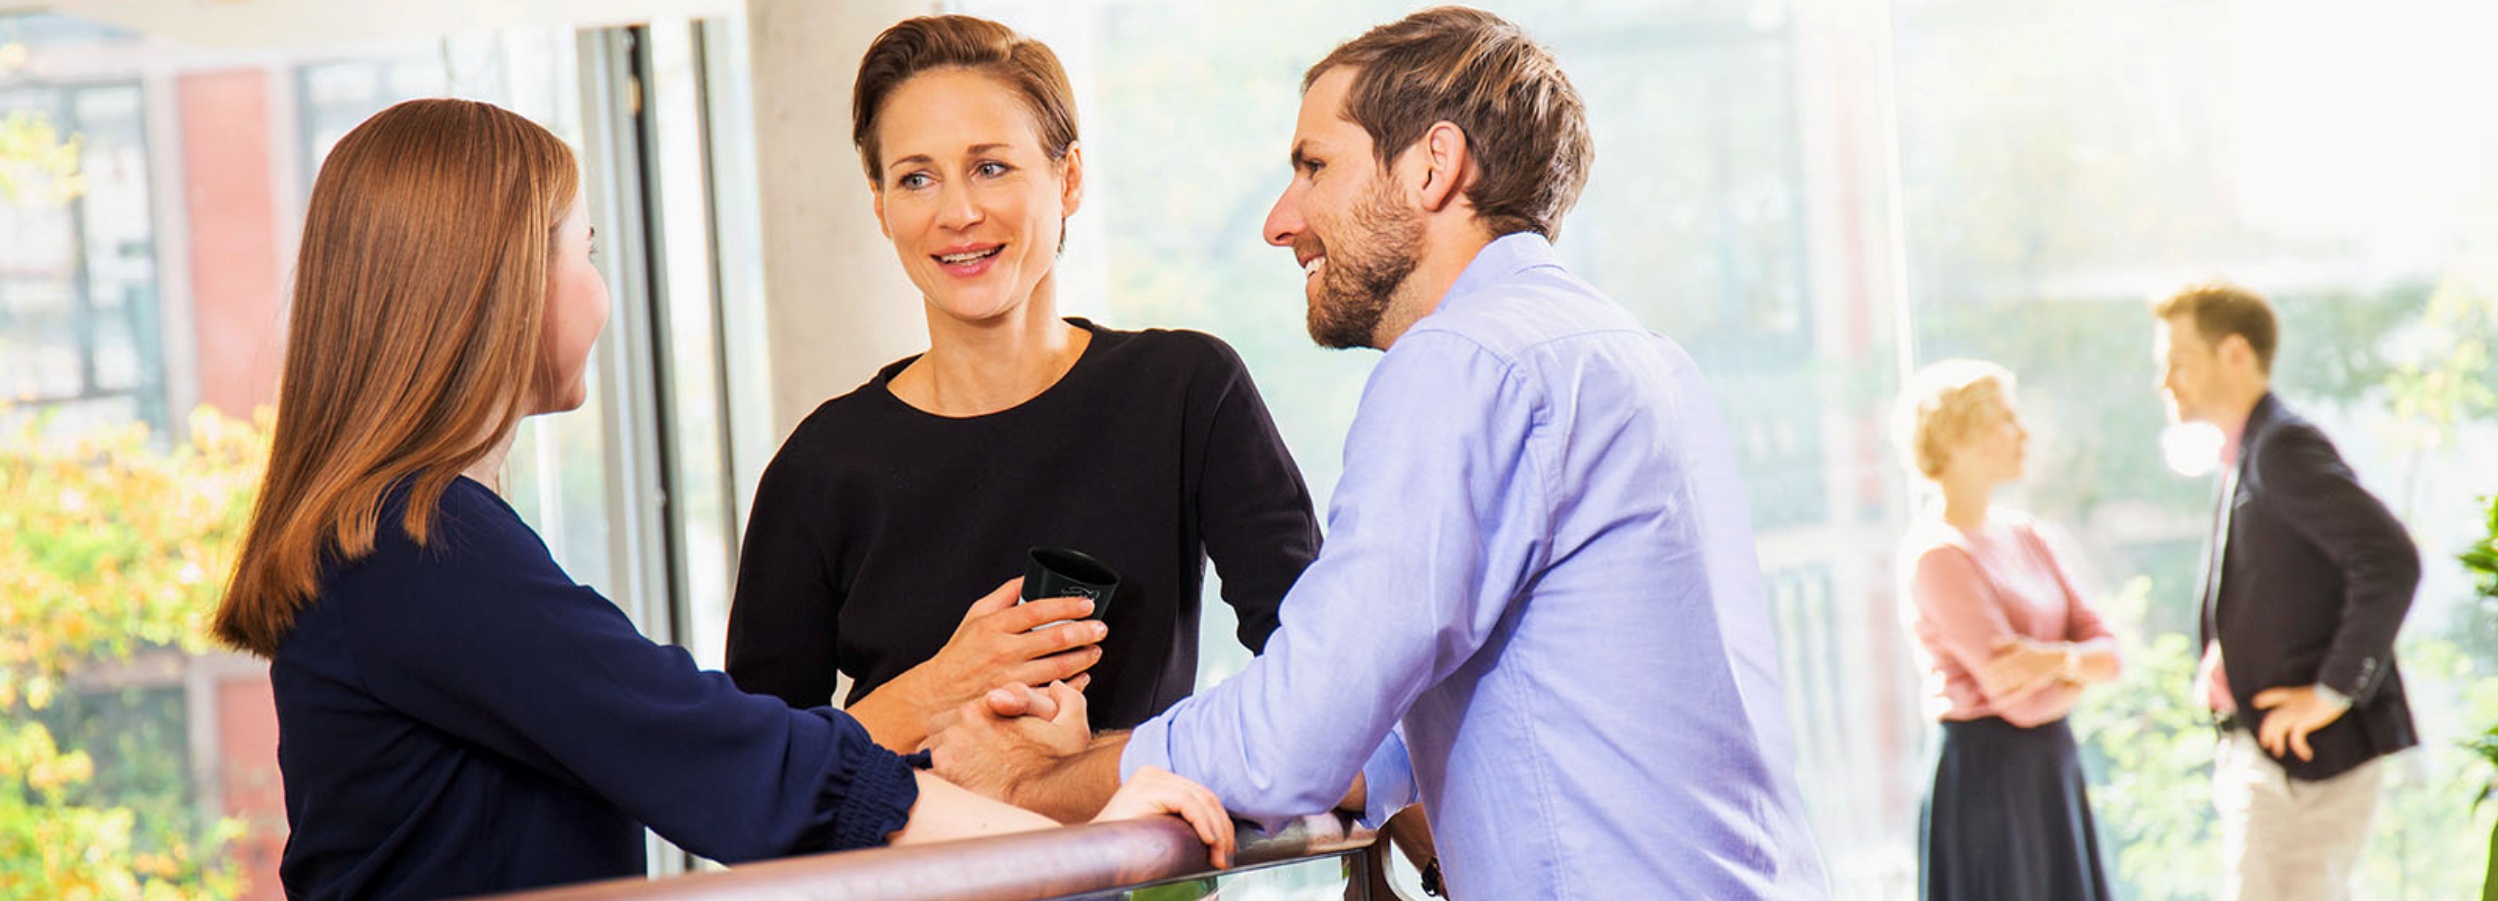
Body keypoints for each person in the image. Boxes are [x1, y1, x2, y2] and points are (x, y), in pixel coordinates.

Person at [208, 98, 1231, 901]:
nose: (597, 288)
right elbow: (729, 756)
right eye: (586, 249)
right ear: (498, 282)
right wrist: (1092, 842)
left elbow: (720, 750)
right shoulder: (420, 544)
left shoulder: (401, 538)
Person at [920, 9, 1827, 898]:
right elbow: (1414, 719)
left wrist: (1041, 781)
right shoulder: (1628, 350)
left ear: (1434, 165)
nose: (1281, 221)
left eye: (1315, 166)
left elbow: (1293, 735)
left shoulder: (1466, 361)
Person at [725, 14, 1319, 751]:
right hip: (916, 866)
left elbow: (1323, 675)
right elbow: (749, 776)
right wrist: (939, 687)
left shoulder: (1185, 391)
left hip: (1142, 865)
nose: (958, 213)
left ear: (1068, 179)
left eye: (991, 167)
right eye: (916, 178)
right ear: (880, 205)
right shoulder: (819, 467)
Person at [2152, 281, 2419, 901]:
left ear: (2235, 353)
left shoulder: (2281, 449)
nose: (2166, 382)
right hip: (2275, 761)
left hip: (2308, 763)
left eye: (2179, 361)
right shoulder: (2248, 450)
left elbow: (2389, 558)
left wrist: (2333, 691)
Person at [1893, 360, 2121, 901]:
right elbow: (2013, 700)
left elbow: (2111, 654)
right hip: (1988, 779)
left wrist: (2050, 664)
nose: (2024, 434)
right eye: (2007, 420)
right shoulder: (1939, 554)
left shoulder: (2026, 535)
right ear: (1960, 435)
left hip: (2049, 766)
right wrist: (2076, 666)